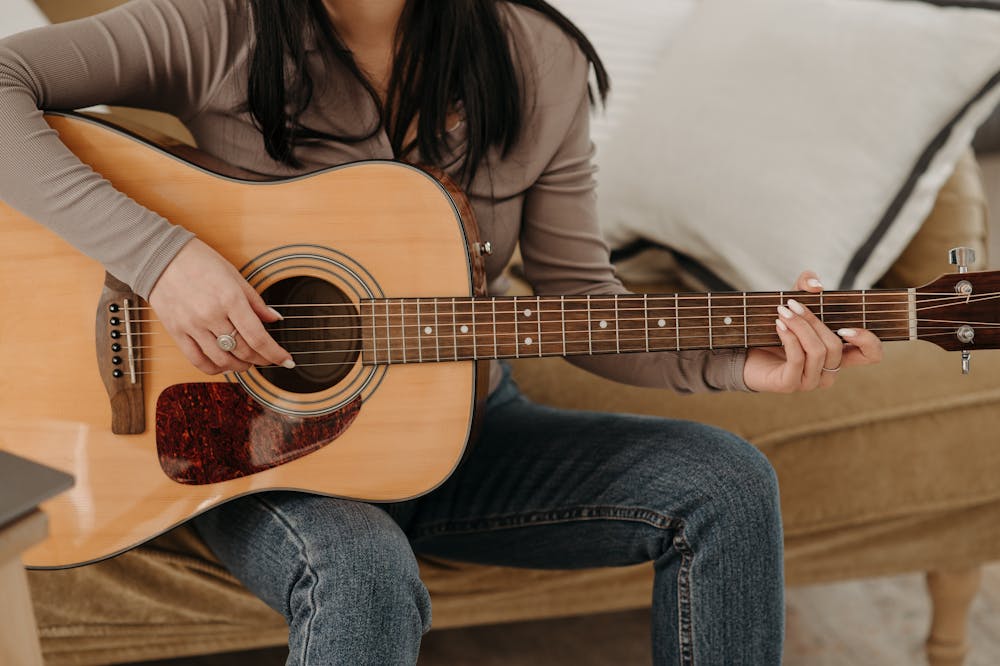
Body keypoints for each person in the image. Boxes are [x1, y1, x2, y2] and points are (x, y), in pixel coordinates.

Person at [0, 1, 883, 663]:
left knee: (726, 483)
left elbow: (582, 306)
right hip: (256, 446)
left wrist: (742, 364)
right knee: (361, 570)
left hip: (465, 430)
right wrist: (161, 260)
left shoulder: (537, 56)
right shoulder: (219, 24)